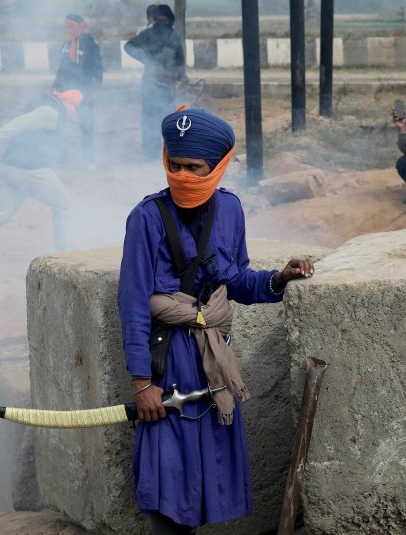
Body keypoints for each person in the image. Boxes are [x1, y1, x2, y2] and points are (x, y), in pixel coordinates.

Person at [117, 107, 314, 533]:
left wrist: (279, 277)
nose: (183, 174)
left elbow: (236, 280)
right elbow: (133, 302)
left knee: (207, 473)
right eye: (176, 165)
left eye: (195, 167)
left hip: (214, 364)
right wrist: (142, 384)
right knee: (167, 476)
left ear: (219, 166)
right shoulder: (146, 217)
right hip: (167, 361)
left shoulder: (230, 209)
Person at [0, 90, 84, 268]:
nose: (76, 113)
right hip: (31, 170)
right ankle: (64, 257)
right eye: (76, 107)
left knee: (1, 213)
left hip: (10, 168)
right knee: (64, 204)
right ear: (69, 103)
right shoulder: (51, 112)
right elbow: (20, 123)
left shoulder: (52, 112)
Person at [124, 5, 186, 160]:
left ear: (170, 20)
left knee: (168, 119)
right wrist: (149, 62)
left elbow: (180, 63)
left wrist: (175, 74)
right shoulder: (148, 35)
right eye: (158, 19)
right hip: (150, 85)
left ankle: (169, 152)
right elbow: (129, 46)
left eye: (164, 20)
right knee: (149, 119)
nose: (161, 23)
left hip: (168, 87)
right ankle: (150, 153)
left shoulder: (175, 38)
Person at [53, 14, 103, 167]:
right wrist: (55, 86)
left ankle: (87, 161)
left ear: (81, 26)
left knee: (86, 125)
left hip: (84, 92)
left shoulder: (90, 45)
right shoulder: (66, 44)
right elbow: (62, 67)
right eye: (66, 26)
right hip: (65, 90)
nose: (68, 29)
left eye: (71, 26)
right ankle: (61, 159)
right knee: (61, 124)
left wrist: (95, 89)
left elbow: (98, 69)